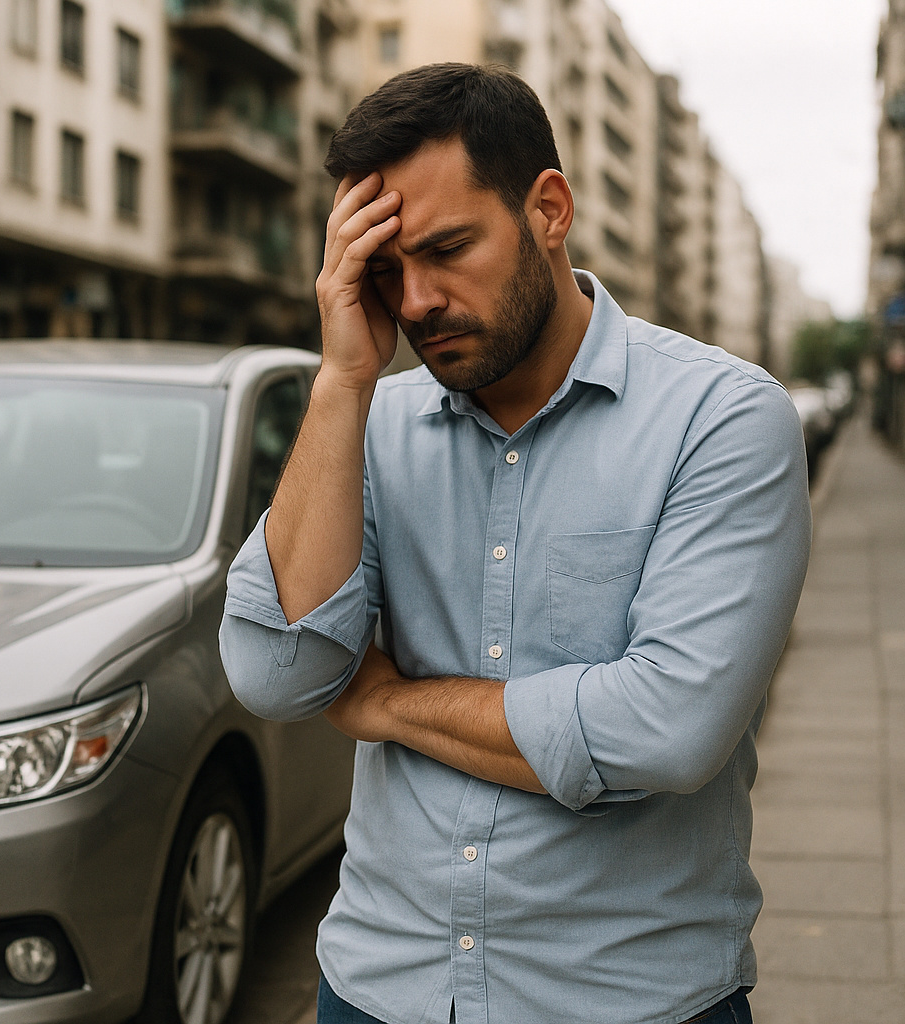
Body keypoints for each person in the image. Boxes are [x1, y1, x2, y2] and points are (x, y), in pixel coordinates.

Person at [218, 63, 810, 1024]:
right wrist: (339, 384)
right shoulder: (367, 421)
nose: (413, 304)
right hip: (377, 988)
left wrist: (388, 704)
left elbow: (665, 728)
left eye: (448, 248)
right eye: (384, 268)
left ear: (549, 208)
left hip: (625, 1001)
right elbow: (279, 674)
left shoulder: (722, 419)